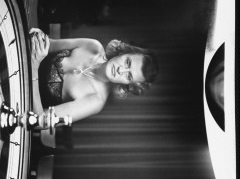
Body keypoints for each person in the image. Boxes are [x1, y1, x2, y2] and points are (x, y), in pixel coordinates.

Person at [29, 28, 159, 123]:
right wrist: (39, 38)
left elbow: (39, 121)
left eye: (129, 76)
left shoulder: (95, 101)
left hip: (21, 101)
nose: (121, 71)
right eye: (127, 62)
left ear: (127, 84)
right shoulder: (93, 46)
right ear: (124, 52)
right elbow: (51, 44)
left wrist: (34, 67)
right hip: (22, 60)